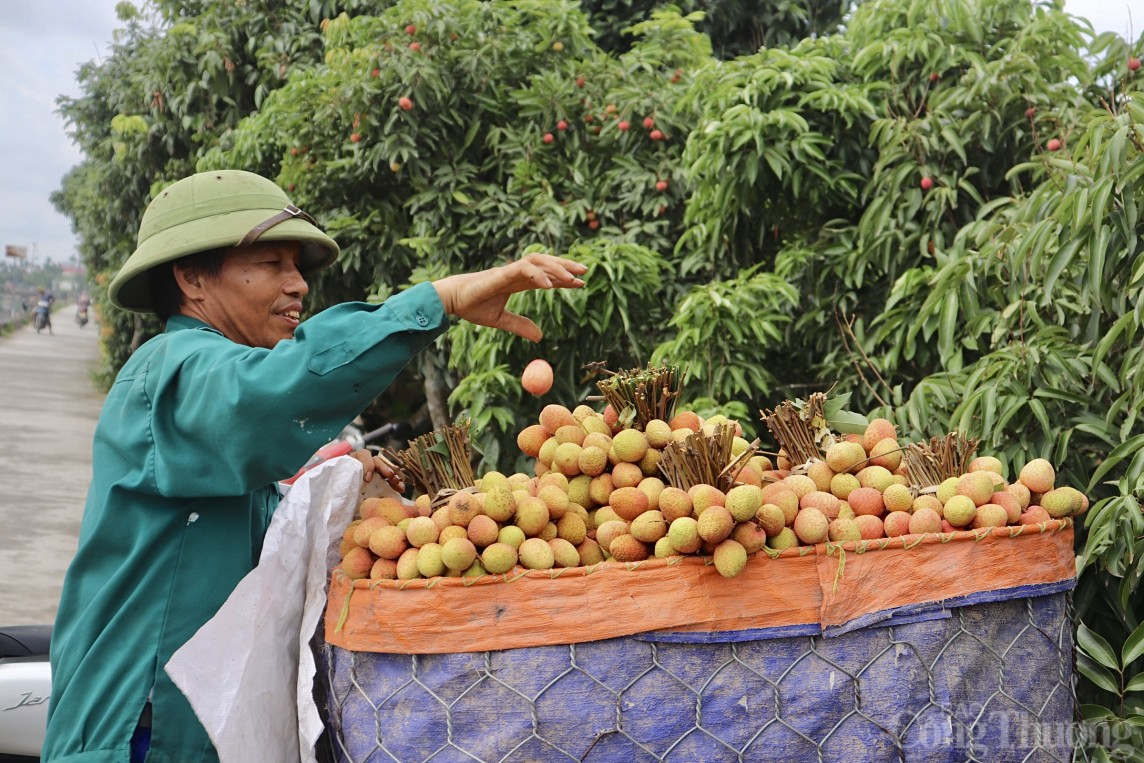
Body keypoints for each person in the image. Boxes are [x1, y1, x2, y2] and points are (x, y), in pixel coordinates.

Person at [43, 169, 587, 763]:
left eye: (297, 267)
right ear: (193, 278)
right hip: (139, 731)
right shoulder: (172, 369)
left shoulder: (211, 384)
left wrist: (339, 482)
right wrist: (441, 299)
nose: (298, 284)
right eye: (273, 264)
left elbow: (251, 536)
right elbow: (275, 393)